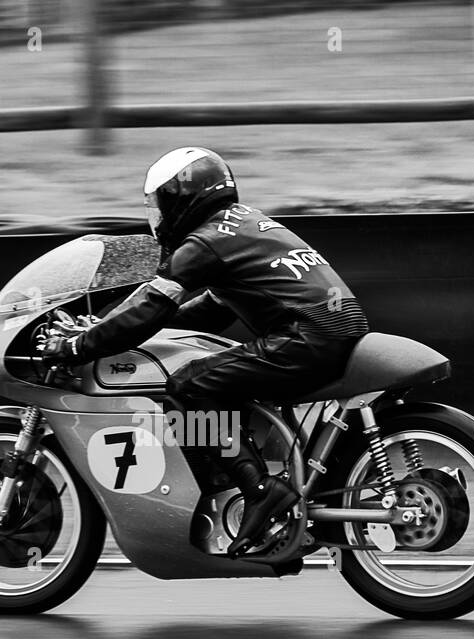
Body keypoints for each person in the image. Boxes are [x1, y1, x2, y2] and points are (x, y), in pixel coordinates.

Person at [39, 146, 369, 556]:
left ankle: (260, 490)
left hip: (307, 336)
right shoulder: (245, 222)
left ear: (180, 198)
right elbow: (207, 310)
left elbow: (151, 306)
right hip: (332, 326)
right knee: (214, 378)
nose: (157, 215)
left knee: (188, 388)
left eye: (158, 203)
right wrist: (113, 329)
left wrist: (76, 345)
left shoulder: (205, 242)